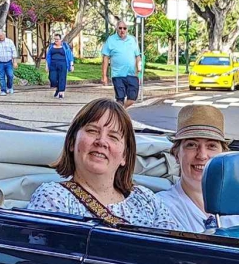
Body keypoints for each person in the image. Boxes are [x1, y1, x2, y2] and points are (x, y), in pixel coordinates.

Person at [27, 98, 175, 229]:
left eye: (113, 136)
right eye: (92, 131)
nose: (102, 141)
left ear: (124, 155)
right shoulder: (54, 198)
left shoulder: (147, 199)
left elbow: (176, 253)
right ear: (72, 142)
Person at [157, 104, 230, 233]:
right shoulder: (160, 207)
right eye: (191, 145)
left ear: (224, 154)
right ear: (176, 154)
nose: (202, 155)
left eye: (211, 146)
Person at [101, 19, 142, 108]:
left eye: (124, 28)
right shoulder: (111, 40)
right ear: (117, 29)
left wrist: (139, 67)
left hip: (132, 74)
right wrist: (104, 76)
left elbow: (137, 55)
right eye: (120, 28)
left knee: (132, 99)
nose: (122, 30)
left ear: (127, 29)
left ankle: (121, 111)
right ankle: (120, 115)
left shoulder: (132, 40)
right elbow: (105, 58)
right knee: (120, 99)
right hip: (118, 75)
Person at [0, 28, 18, 95]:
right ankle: (3, 90)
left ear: (4, 34)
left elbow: (14, 51)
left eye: (1, 35)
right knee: (1, 77)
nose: (0, 37)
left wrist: (15, 61)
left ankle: (9, 87)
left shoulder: (10, 42)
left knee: (10, 75)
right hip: (0, 62)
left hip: (8, 62)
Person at [46, 34, 74, 99]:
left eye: (57, 39)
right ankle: (58, 88)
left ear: (61, 39)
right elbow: (48, 56)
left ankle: (61, 92)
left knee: (62, 78)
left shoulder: (65, 46)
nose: (56, 41)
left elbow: (70, 56)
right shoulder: (51, 46)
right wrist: (47, 66)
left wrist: (71, 65)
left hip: (63, 63)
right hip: (53, 64)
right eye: (55, 39)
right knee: (52, 78)